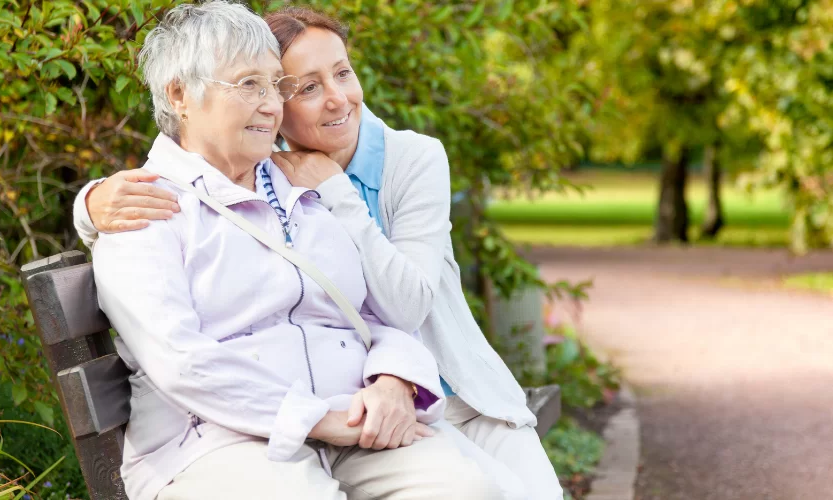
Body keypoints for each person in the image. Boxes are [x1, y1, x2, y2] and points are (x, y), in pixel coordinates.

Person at [75, 6, 564, 500]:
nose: (270, 105)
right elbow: (182, 361)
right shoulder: (141, 209)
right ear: (180, 94)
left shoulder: (302, 188)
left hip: (364, 419)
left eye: (274, 86)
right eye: (250, 85)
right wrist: (319, 419)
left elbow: (378, 313)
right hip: (216, 442)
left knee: (465, 489)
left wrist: (395, 378)